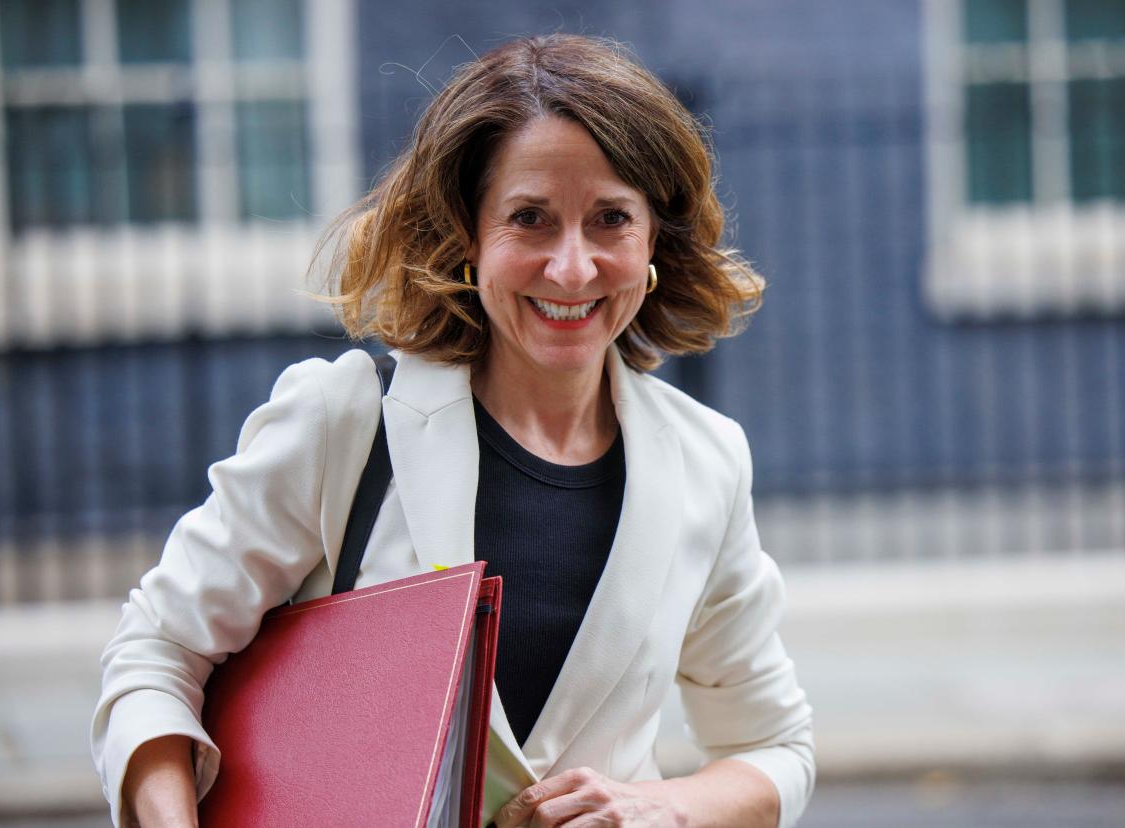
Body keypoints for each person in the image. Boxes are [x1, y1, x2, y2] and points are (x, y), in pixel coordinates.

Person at [92, 33, 814, 828]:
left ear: (651, 242)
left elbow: (777, 748)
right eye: (529, 219)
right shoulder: (345, 421)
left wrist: (658, 805)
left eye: (610, 218)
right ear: (469, 238)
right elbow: (156, 656)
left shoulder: (707, 463)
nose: (571, 268)